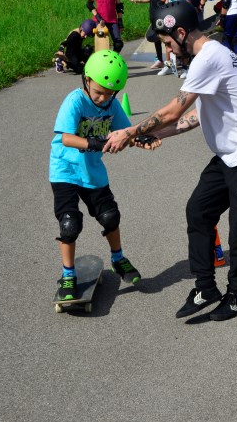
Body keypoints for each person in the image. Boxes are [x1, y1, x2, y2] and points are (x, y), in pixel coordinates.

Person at [103, 1, 237, 322]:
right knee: (198, 209)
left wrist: (129, 129)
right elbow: (189, 119)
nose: (169, 52)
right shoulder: (210, 57)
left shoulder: (209, 57)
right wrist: (138, 136)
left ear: (182, 33)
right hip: (230, 154)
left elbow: (172, 111)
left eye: (169, 44)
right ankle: (205, 287)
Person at [50, 51, 152, 301]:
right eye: (99, 92)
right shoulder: (75, 101)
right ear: (86, 80)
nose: (103, 98)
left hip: (92, 172)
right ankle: (68, 274)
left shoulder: (111, 105)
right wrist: (95, 143)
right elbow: (65, 137)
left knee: (110, 216)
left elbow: (124, 132)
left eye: (109, 94)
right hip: (65, 170)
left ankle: (118, 259)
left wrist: (138, 139)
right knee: (69, 224)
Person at [128, 0, 170, 72]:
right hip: (153, 14)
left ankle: (169, 62)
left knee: (165, 38)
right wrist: (139, 1)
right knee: (156, 38)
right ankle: (160, 60)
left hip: (162, 14)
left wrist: (167, 11)